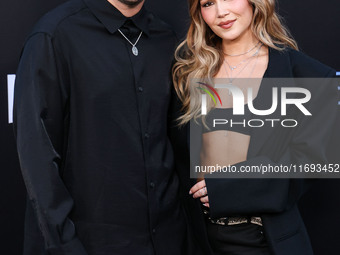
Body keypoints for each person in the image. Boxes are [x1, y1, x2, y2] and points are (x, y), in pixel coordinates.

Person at [13, 0, 191, 254]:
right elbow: (36, 156)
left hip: (170, 240)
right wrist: (65, 245)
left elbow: (179, 142)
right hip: (92, 243)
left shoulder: (167, 38)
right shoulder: (54, 35)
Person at [170, 0, 338, 255]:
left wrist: (227, 187)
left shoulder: (305, 74)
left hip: (264, 241)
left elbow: (310, 164)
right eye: (208, 3)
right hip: (199, 240)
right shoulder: (189, 72)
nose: (221, 12)